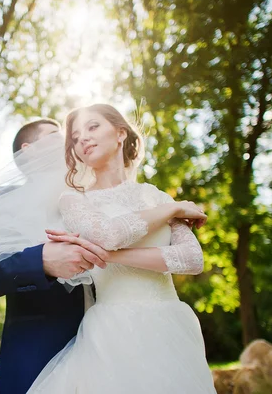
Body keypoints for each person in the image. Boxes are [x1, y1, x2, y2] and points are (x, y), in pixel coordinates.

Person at [26, 104, 217, 393]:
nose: (83, 140)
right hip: (112, 330)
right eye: (75, 138)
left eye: (92, 127)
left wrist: (111, 257)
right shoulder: (74, 201)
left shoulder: (156, 196)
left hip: (170, 326)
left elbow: (191, 259)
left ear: (120, 133)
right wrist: (171, 209)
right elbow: (109, 235)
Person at [0, 119, 106, 394]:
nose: (68, 140)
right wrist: (41, 262)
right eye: (55, 135)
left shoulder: (98, 195)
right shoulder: (2, 201)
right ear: (29, 150)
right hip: (37, 356)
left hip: (108, 348)